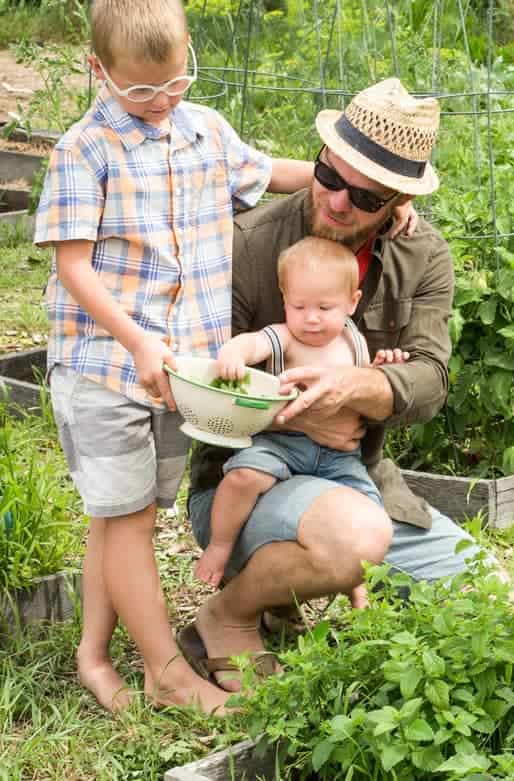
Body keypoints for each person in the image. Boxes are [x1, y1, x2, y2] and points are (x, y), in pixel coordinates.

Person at [34, 0, 317, 714]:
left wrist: (350, 181)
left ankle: (94, 658)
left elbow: (271, 171)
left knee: (123, 514)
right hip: (105, 364)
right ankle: (164, 671)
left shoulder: (205, 132)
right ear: (98, 71)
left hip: (176, 375)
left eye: (176, 82)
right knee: (128, 517)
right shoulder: (83, 150)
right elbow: (74, 267)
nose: (161, 103)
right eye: (141, 90)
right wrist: (136, 339)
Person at [182, 78, 487, 693]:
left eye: (366, 195)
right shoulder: (253, 243)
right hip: (250, 479)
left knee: (489, 596)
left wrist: (353, 388)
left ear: (398, 198)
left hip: (360, 480)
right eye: (329, 176)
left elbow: (429, 382)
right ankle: (226, 616)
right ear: (318, 159)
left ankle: (290, 594)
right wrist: (291, 411)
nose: (339, 201)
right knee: (353, 539)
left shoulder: (421, 255)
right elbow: (201, 384)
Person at [193, 237, 408, 613]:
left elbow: (366, 381)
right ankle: (220, 547)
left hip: (340, 457)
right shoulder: (285, 336)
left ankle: (355, 583)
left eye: (325, 307)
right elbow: (254, 343)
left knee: (371, 511)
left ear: (352, 302)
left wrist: (383, 367)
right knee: (243, 478)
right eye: (299, 305)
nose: (311, 317)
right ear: (284, 300)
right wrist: (233, 353)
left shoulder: (353, 341)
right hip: (282, 444)